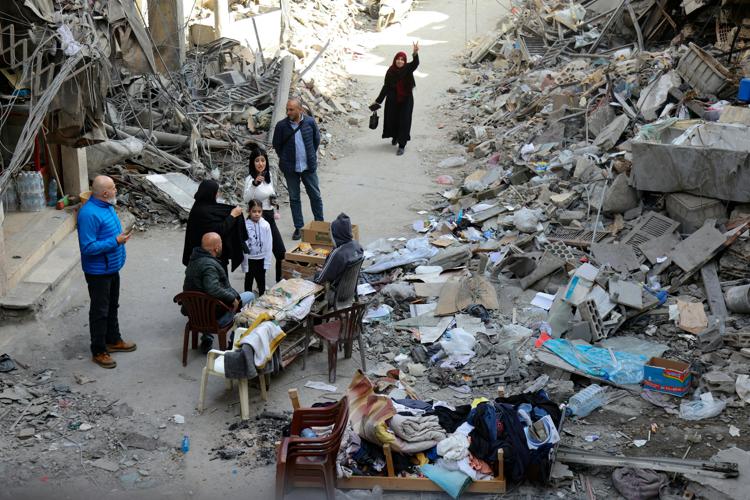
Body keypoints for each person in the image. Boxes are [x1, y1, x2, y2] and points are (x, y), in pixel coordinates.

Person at [77, 175, 137, 369]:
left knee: (112, 306)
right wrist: (116, 242)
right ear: (104, 193)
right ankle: (99, 350)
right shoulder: (88, 214)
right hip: (98, 272)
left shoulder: (107, 206)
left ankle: (113, 339)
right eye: (113, 188)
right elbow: (88, 247)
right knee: (100, 311)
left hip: (111, 267)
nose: (116, 190)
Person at [183, 232, 255, 353]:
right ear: (216, 248)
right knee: (250, 296)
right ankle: (234, 340)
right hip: (212, 316)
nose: (222, 245)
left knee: (205, 301)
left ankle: (207, 337)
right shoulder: (209, 265)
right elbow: (212, 288)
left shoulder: (194, 259)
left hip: (194, 313)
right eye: (221, 242)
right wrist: (232, 298)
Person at [271, 98, 324, 240]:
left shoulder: (310, 122)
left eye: (291, 109)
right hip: (291, 169)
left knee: (315, 196)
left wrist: (310, 155)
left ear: (300, 110)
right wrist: (285, 158)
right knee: (294, 198)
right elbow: (277, 145)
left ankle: (320, 225)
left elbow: (316, 140)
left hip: (308, 167)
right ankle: (298, 227)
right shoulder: (281, 126)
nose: (288, 112)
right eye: (287, 109)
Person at [182, 180, 246, 275]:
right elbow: (219, 231)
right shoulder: (202, 212)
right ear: (210, 193)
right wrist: (232, 215)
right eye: (216, 192)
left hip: (204, 256)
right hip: (209, 258)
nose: (218, 194)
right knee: (217, 285)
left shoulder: (200, 206)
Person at [242, 147, 286, 283]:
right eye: (257, 161)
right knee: (259, 255)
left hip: (269, 216)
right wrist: (255, 184)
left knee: (281, 253)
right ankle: (259, 285)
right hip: (257, 219)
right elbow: (246, 199)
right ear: (252, 163)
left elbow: (270, 193)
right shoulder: (250, 179)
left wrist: (274, 203)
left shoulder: (269, 176)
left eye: (263, 160)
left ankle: (280, 281)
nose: (260, 163)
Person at [369, 41, 420, 156]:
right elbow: (386, 87)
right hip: (393, 100)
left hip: (406, 100)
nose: (400, 61)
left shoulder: (408, 68)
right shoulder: (390, 71)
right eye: (398, 59)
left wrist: (415, 53)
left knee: (405, 121)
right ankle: (395, 137)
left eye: (402, 59)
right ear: (395, 60)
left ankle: (402, 145)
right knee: (393, 119)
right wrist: (377, 101)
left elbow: (415, 64)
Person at [315, 213, 364, 306]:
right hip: (350, 291)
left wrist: (318, 272)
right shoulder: (358, 246)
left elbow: (320, 279)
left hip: (336, 295)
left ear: (336, 234)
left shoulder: (337, 254)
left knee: (311, 279)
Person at [242, 199, 273, 295]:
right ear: (249, 211)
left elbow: (269, 244)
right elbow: (244, 245)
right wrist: (244, 263)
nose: (257, 214)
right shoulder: (245, 226)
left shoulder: (266, 225)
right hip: (250, 259)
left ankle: (261, 300)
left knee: (261, 281)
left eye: (259, 211)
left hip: (261, 259)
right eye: (254, 211)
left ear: (262, 212)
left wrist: (267, 261)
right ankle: (246, 301)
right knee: (249, 281)